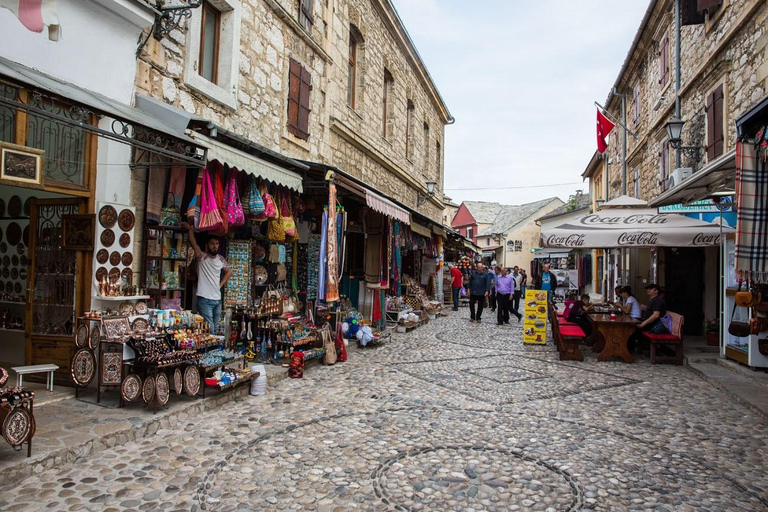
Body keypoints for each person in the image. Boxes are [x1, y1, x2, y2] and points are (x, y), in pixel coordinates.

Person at [185, 222, 233, 334]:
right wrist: (190, 230)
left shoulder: (221, 259)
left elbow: (229, 271)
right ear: (207, 245)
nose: (215, 246)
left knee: (215, 328)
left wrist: (220, 284)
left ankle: (213, 351)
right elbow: (194, 243)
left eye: (217, 244)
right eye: (212, 243)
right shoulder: (202, 257)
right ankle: (209, 351)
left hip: (217, 299)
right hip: (204, 299)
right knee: (209, 328)